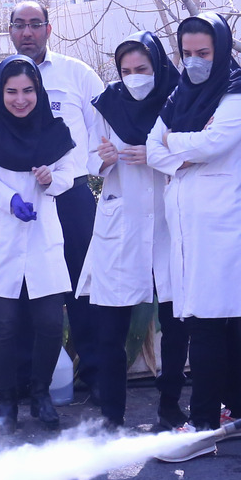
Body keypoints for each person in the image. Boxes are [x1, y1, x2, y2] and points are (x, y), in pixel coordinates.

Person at [147, 14, 241, 459]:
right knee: (206, 320)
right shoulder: (181, 95)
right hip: (190, 227)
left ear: (222, 50)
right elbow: (150, 146)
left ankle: (207, 424)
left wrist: (173, 150)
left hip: (228, 226)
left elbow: (213, 145)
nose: (196, 62)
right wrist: (180, 150)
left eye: (205, 53)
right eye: (188, 54)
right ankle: (228, 419)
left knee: (229, 323)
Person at [0, 2, 106, 400]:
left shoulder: (77, 74)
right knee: (21, 291)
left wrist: (88, 176)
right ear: (9, 30)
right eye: (20, 25)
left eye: (35, 25)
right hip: (20, 199)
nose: (27, 32)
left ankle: (94, 376)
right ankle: (18, 383)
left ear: (49, 29)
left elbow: (101, 131)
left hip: (70, 195)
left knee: (81, 290)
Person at [0, 57, 82, 432]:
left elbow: (69, 172)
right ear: (0, 91)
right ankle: (8, 401)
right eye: (11, 91)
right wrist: (9, 199)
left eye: (28, 91)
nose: (20, 99)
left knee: (49, 322)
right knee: (4, 326)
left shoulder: (54, 128)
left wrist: (51, 179)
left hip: (43, 236)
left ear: (38, 91)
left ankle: (41, 394)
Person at [79, 34, 185, 430]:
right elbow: (90, 156)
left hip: (168, 219)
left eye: (142, 69)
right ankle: (112, 415)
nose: (134, 78)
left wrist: (157, 156)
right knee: (111, 323)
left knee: (175, 320)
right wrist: (103, 159)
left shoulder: (178, 99)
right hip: (120, 220)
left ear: (157, 67)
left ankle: (170, 407)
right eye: (126, 71)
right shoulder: (107, 104)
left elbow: (191, 153)